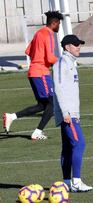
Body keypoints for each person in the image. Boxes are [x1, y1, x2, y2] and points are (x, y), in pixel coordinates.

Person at [3, 11, 63, 140]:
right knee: (53, 105)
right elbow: (50, 57)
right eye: (59, 24)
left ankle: (12, 116)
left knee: (42, 105)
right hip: (41, 73)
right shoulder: (48, 34)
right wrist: (63, 62)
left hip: (34, 72)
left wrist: (39, 59)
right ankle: (37, 132)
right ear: (54, 23)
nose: (59, 26)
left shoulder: (38, 33)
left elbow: (28, 51)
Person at [52, 34, 93, 192]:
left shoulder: (70, 63)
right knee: (79, 143)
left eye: (79, 44)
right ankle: (76, 182)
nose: (79, 47)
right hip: (67, 114)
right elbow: (59, 88)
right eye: (76, 45)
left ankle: (67, 183)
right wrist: (66, 113)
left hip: (71, 113)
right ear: (67, 47)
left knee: (68, 148)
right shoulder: (62, 63)